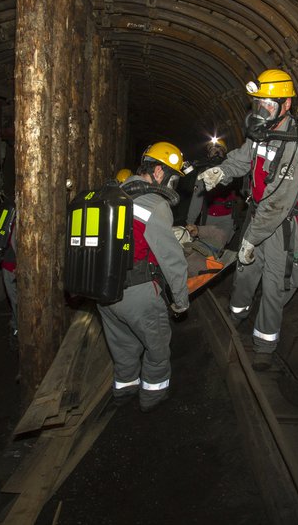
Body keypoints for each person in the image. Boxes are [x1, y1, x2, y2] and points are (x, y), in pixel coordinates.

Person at [197, 69, 298, 371]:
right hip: (259, 212)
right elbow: (243, 158)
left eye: (268, 104)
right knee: (246, 268)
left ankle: (264, 344)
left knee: (276, 282)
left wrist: (252, 237)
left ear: (286, 104)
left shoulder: (297, 147)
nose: (261, 110)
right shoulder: (263, 130)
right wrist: (221, 171)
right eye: (257, 103)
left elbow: (278, 203)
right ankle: (237, 312)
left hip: (286, 222)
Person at [98, 142, 190, 412]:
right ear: (159, 172)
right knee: (157, 348)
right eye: (172, 177)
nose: (172, 185)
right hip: (138, 292)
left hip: (104, 292)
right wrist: (180, 301)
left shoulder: (112, 193)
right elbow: (172, 260)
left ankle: (124, 389)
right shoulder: (154, 203)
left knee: (123, 345)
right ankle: (153, 398)